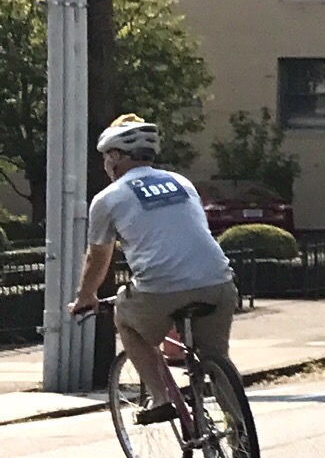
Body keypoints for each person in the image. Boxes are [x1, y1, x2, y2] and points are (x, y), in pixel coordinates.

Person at [74, 114, 242, 415]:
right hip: (218, 281)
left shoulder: (108, 198)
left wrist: (86, 296)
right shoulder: (182, 182)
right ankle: (239, 437)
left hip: (160, 290)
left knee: (126, 320)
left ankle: (162, 398)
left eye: (104, 158)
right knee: (218, 358)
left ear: (115, 156)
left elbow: (99, 256)